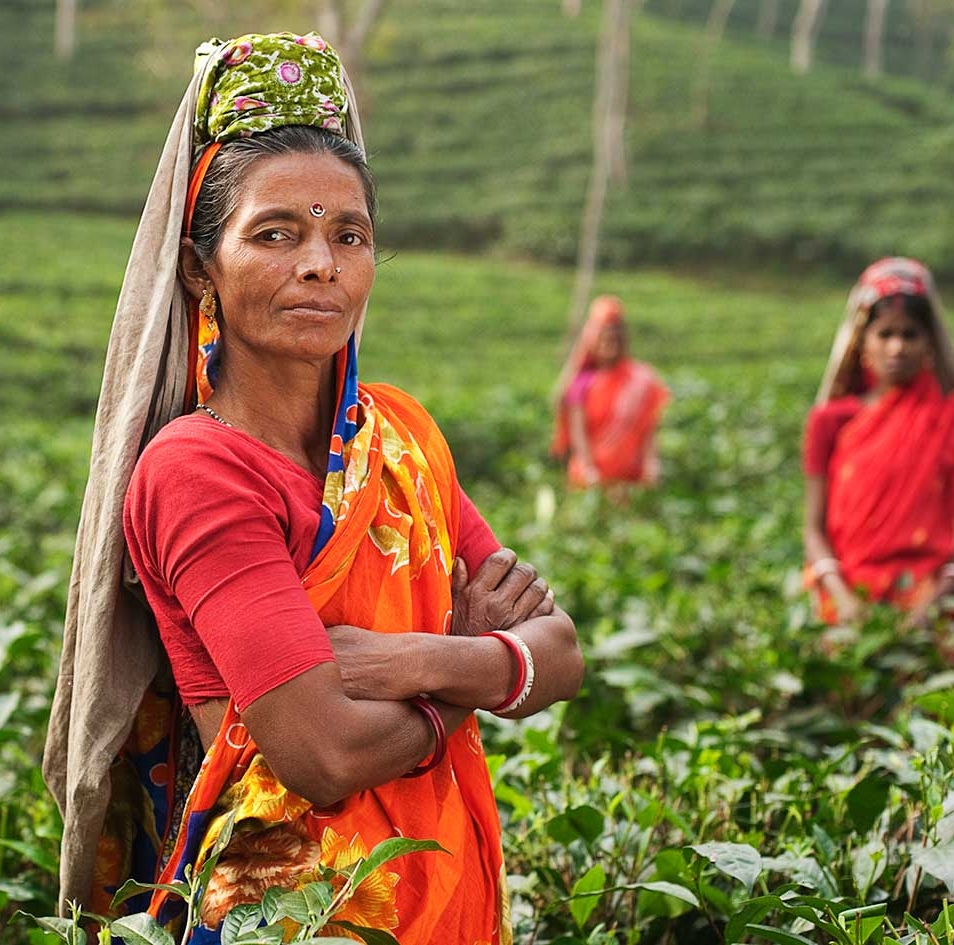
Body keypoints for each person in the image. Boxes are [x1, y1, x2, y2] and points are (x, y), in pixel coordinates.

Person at [43, 33, 584, 942]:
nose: (320, 264)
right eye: (275, 233)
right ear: (198, 267)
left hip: (436, 885)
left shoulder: (402, 434)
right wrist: (475, 665)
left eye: (348, 235)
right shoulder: (196, 470)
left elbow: (563, 652)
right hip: (289, 909)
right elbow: (322, 751)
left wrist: (406, 659)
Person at [802, 258, 954, 630]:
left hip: (933, 602)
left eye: (910, 335)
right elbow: (813, 528)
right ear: (863, 342)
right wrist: (842, 598)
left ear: (929, 344)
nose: (897, 348)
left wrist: (937, 600)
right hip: (849, 601)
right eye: (885, 334)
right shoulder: (830, 422)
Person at [550, 296, 670, 489]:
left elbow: (649, 429)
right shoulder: (582, 382)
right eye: (604, 339)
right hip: (591, 478)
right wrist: (589, 471)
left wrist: (651, 464)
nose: (609, 345)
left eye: (614, 339)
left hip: (632, 479)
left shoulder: (641, 380)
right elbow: (578, 434)